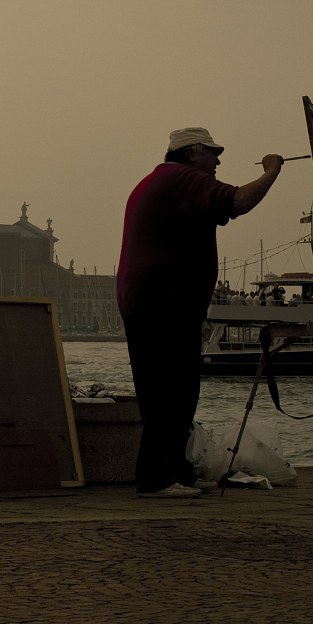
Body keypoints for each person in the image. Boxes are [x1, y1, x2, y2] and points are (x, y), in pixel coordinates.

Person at [116, 127, 283, 498]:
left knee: (175, 389)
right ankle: (155, 478)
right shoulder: (184, 179)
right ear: (192, 153)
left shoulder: (164, 181)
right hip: (162, 303)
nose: (218, 160)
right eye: (212, 152)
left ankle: (175, 470)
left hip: (152, 300)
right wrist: (272, 170)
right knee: (170, 390)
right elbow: (238, 201)